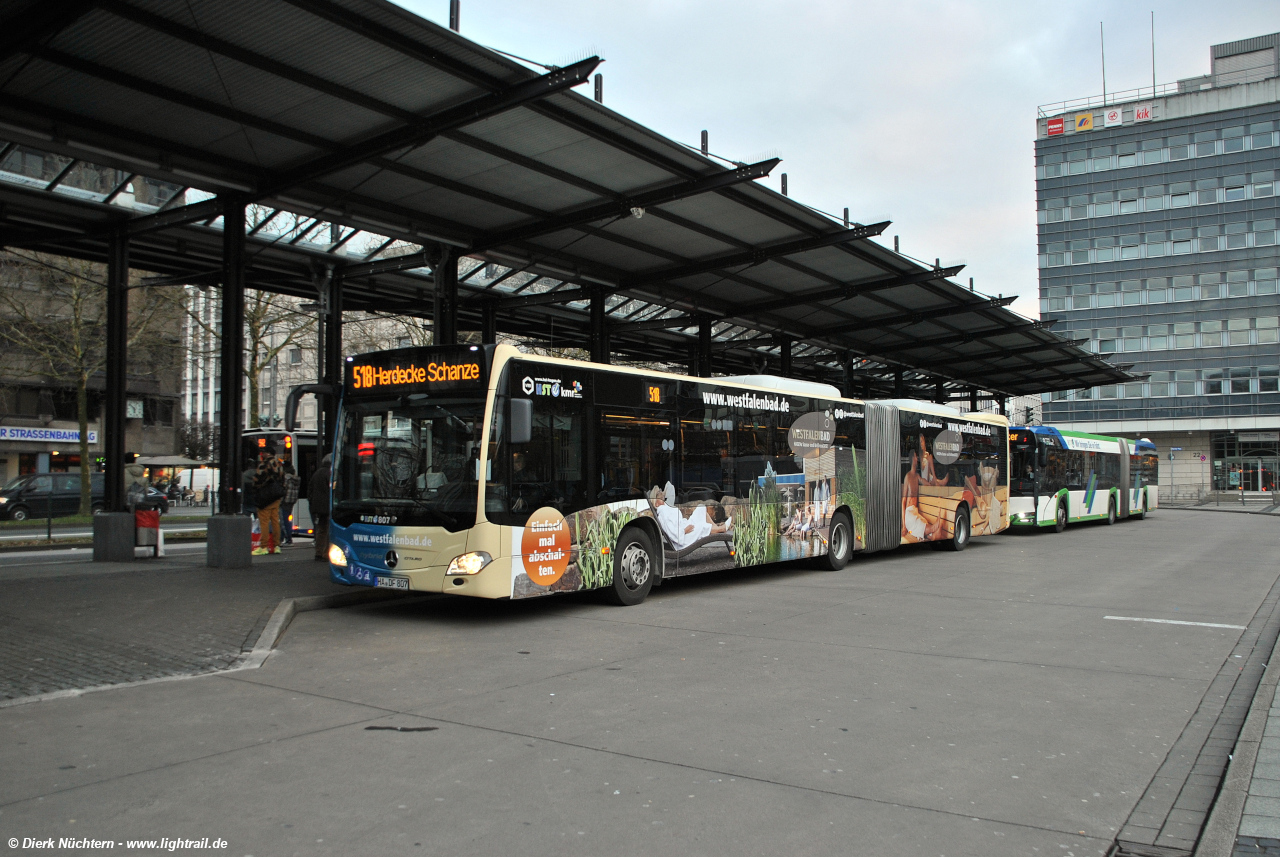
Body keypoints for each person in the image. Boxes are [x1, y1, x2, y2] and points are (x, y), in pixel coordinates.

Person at [902, 451, 945, 543]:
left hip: (915, 511)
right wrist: (903, 525)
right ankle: (938, 525)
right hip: (909, 514)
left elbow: (927, 484)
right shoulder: (908, 477)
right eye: (916, 457)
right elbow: (903, 501)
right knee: (933, 528)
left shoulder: (917, 476)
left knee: (932, 534)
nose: (917, 459)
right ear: (912, 459)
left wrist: (932, 475)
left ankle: (933, 533)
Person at [252, 453, 285, 556]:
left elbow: (257, 480)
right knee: (275, 521)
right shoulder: (279, 465)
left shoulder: (264, 465)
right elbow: (282, 480)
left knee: (264, 522)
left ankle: (263, 547)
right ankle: (277, 546)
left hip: (265, 497)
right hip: (276, 497)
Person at [309, 454, 331, 561]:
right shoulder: (330, 473)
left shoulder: (317, 473)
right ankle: (325, 553)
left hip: (317, 506)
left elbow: (310, 490)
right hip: (327, 506)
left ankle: (318, 551)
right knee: (328, 529)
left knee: (321, 529)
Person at [280, 462, 300, 546]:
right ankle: (283, 538)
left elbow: (284, 490)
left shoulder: (286, 478)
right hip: (292, 501)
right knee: (286, 520)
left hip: (285, 501)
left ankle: (288, 539)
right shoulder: (296, 479)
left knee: (283, 521)